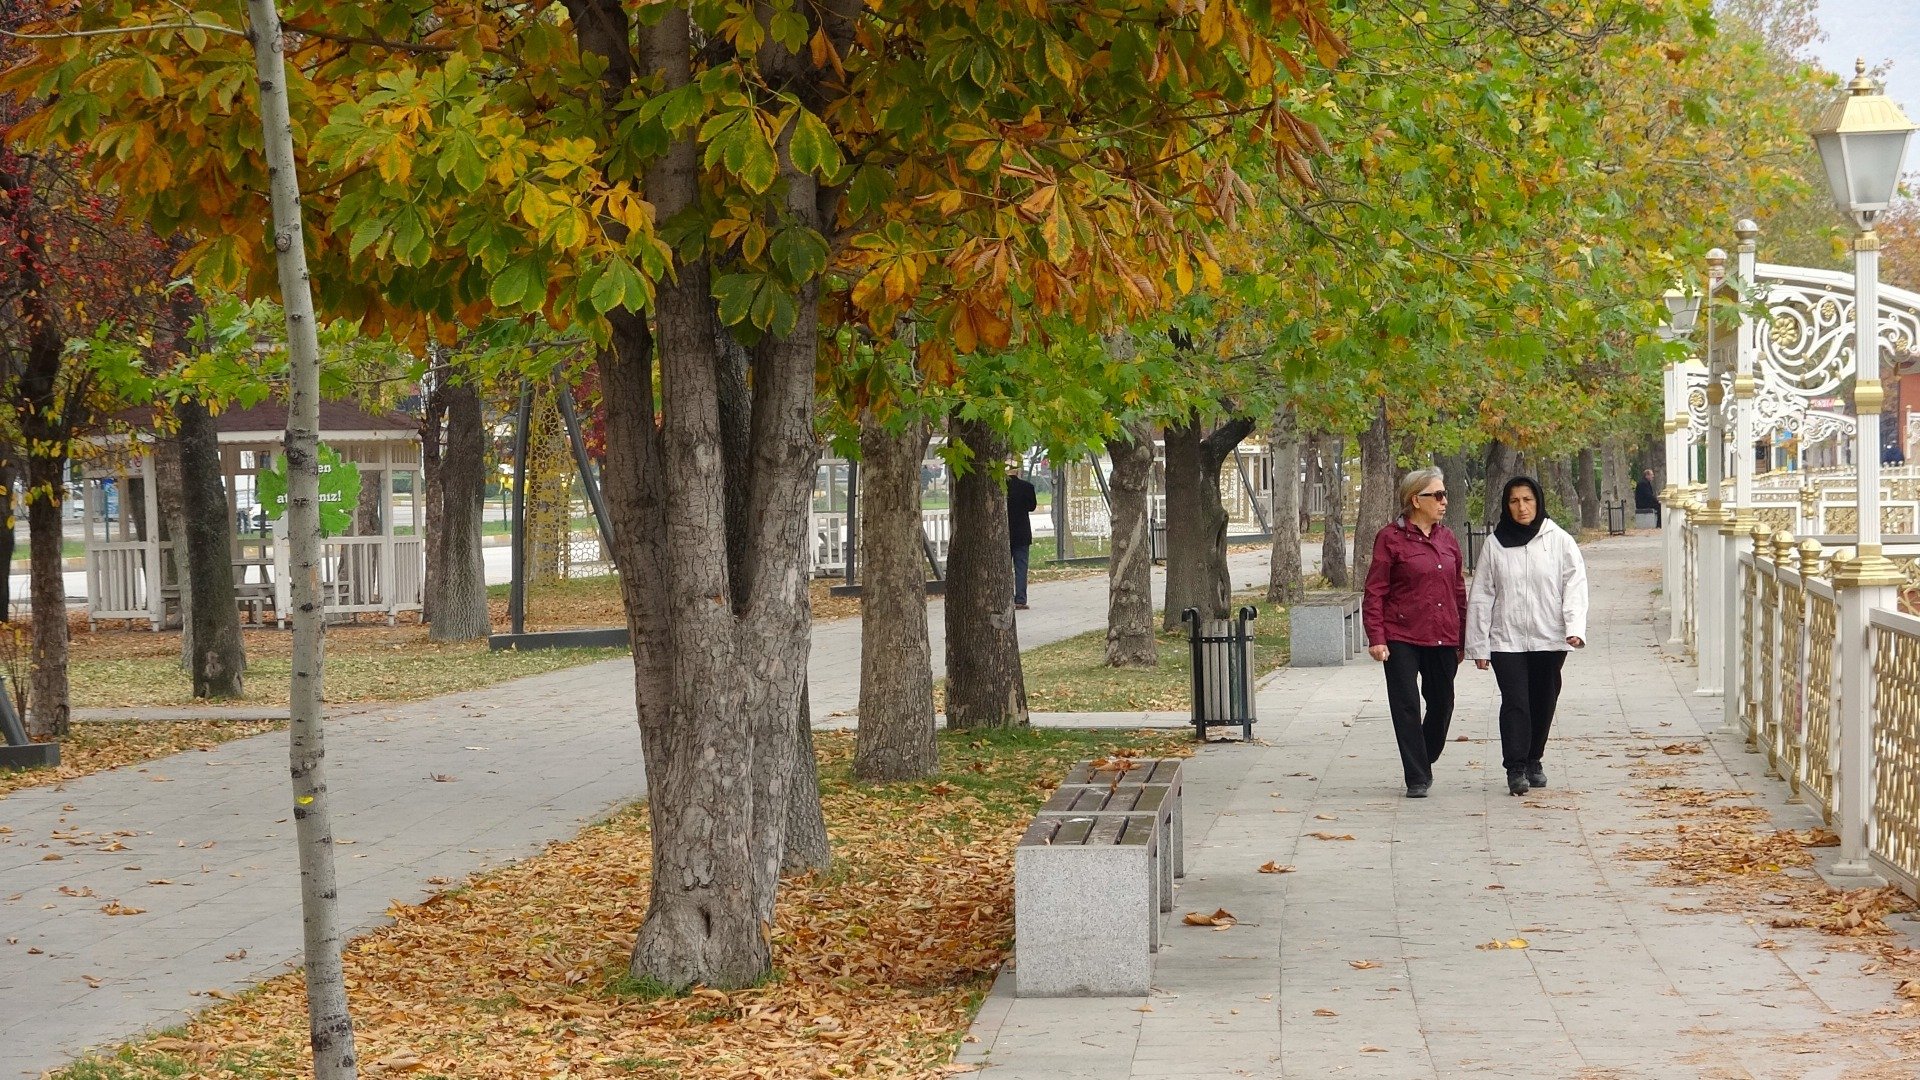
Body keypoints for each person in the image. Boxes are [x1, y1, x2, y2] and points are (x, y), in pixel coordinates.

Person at [1465, 476, 1589, 797]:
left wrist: (1574, 628)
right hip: (1506, 640)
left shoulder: (1559, 540)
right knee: (1516, 701)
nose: (1522, 507)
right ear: (1506, 506)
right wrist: (1479, 644)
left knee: (1543, 700)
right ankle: (1515, 767)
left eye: (1528, 500)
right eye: (1514, 501)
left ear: (1538, 501)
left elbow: (1574, 587)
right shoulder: (1495, 544)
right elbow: (1482, 595)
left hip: (1549, 638)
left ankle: (1535, 759)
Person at [1363, 467, 1467, 799]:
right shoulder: (1390, 538)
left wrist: (1465, 636)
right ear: (1415, 500)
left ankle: (1423, 755)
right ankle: (1417, 776)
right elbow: (1375, 591)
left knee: (1442, 703)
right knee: (1406, 704)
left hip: (1442, 634)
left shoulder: (1447, 538)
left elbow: (1458, 590)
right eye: (1437, 495)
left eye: (1445, 494)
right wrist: (1376, 636)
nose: (1444, 501)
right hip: (1401, 634)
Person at [1007, 463, 1037, 610]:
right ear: (1018, 471)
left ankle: (1005, 597)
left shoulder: (998, 487)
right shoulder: (1027, 487)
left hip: (1005, 533)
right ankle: (1020, 599)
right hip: (1022, 533)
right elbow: (1032, 506)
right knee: (1021, 567)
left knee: (1004, 568)